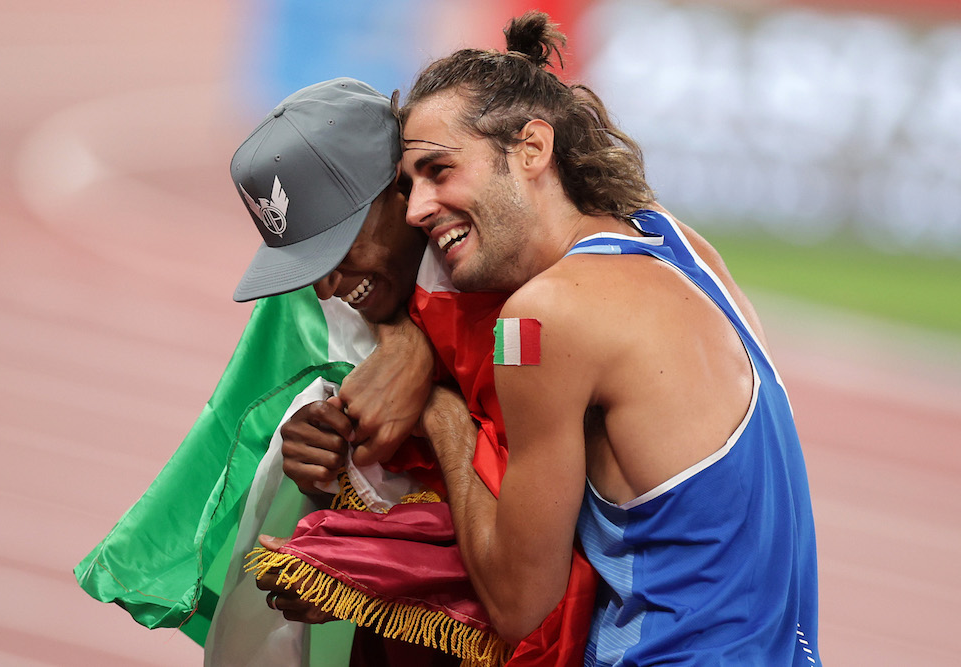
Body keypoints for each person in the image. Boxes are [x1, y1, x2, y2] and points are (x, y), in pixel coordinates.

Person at [397, 11, 821, 666]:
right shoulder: (683, 248)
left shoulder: (540, 317)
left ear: (532, 149)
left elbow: (519, 603)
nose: (415, 208)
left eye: (438, 170)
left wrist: (437, 408)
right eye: (407, 185)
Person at [220, 76, 597, 667]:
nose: (325, 286)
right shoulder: (384, 302)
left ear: (405, 188)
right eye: (306, 263)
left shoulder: (537, 304)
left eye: (336, 246)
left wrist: (434, 408)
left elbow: (537, 583)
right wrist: (322, 453)